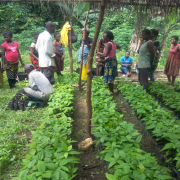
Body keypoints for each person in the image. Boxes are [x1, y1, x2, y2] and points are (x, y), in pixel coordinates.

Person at [97, 30, 119, 95]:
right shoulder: (114, 43)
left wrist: (98, 52)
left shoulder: (108, 44)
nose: (102, 38)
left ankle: (111, 92)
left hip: (109, 62)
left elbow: (105, 54)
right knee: (111, 77)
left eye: (104, 37)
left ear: (107, 38)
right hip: (113, 61)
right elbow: (117, 47)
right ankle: (111, 91)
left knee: (110, 79)